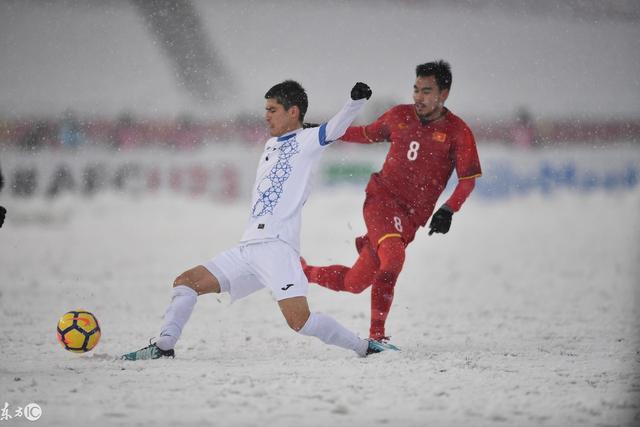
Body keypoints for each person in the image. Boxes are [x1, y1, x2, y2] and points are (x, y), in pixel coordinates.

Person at [122, 80, 398, 360]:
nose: (266, 115)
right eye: (266, 109)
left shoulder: (309, 140)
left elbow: (335, 129)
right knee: (185, 281)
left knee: (299, 322)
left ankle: (365, 348)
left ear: (293, 112)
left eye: (272, 109)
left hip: (277, 248)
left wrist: (355, 103)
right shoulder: (270, 144)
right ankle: (164, 347)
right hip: (248, 248)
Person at [303, 60, 482, 341]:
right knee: (394, 258)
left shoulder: (458, 132)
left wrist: (448, 209)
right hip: (382, 199)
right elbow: (364, 134)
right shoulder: (399, 115)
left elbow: (468, 180)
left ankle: (303, 272)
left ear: (444, 94)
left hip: (410, 219)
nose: (418, 97)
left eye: (426, 91)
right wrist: (322, 132)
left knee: (354, 283)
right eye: (415, 89)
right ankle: (377, 338)